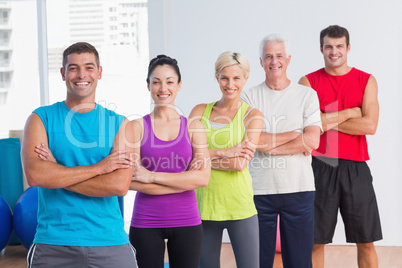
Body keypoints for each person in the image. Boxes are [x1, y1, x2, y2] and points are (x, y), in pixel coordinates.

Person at [21, 42, 137, 267]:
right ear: (63, 73)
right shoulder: (40, 119)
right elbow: (36, 176)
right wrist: (99, 168)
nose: (81, 74)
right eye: (73, 68)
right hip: (53, 242)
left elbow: (119, 185)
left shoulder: (119, 124)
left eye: (89, 67)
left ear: (99, 72)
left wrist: (57, 171)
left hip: (109, 240)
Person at [299, 25, 382, 268]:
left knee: (366, 240)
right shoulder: (308, 81)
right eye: (328, 47)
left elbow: (369, 125)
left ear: (348, 48)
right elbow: (306, 127)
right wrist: (347, 113)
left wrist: (325, 119)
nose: (333, 51)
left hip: (356, 168)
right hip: (319, 166)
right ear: (321, 49)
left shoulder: (366, 80)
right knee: (314, 240)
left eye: (339, 46)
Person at [241, 34, 322, 268]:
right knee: (257, 262)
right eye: (268, 56)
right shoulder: (248, 97)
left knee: (299, 262)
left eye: (278, 56)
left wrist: (269, 146)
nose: (273, 61)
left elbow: (313, 140)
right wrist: (295, 135)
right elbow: (250, 139)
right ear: (260, 61)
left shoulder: (307, 95)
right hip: (258, 190)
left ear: (288, 59)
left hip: (299, 189)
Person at [128, 55, 211, 268]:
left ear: (179, 85)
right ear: (148, 85)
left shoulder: (194, 127)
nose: (163, 88)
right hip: (145, 221)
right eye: (156, 81)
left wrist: (151, 176)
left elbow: (202, 178)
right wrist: (183, 180)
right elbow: (130, 181)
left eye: (169, 81)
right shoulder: (136, 127)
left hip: (187, 220)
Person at [189, 51, 264, 268]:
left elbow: (240, 163)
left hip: (239, 206)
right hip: (203, 206)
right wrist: (226, 151)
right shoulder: (200, 110)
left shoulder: (253, 116)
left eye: (236, 78)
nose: (230, 84)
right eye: (224, 77)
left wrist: (202, 157)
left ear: (245, 79)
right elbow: (187, 155)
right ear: (217, 78)